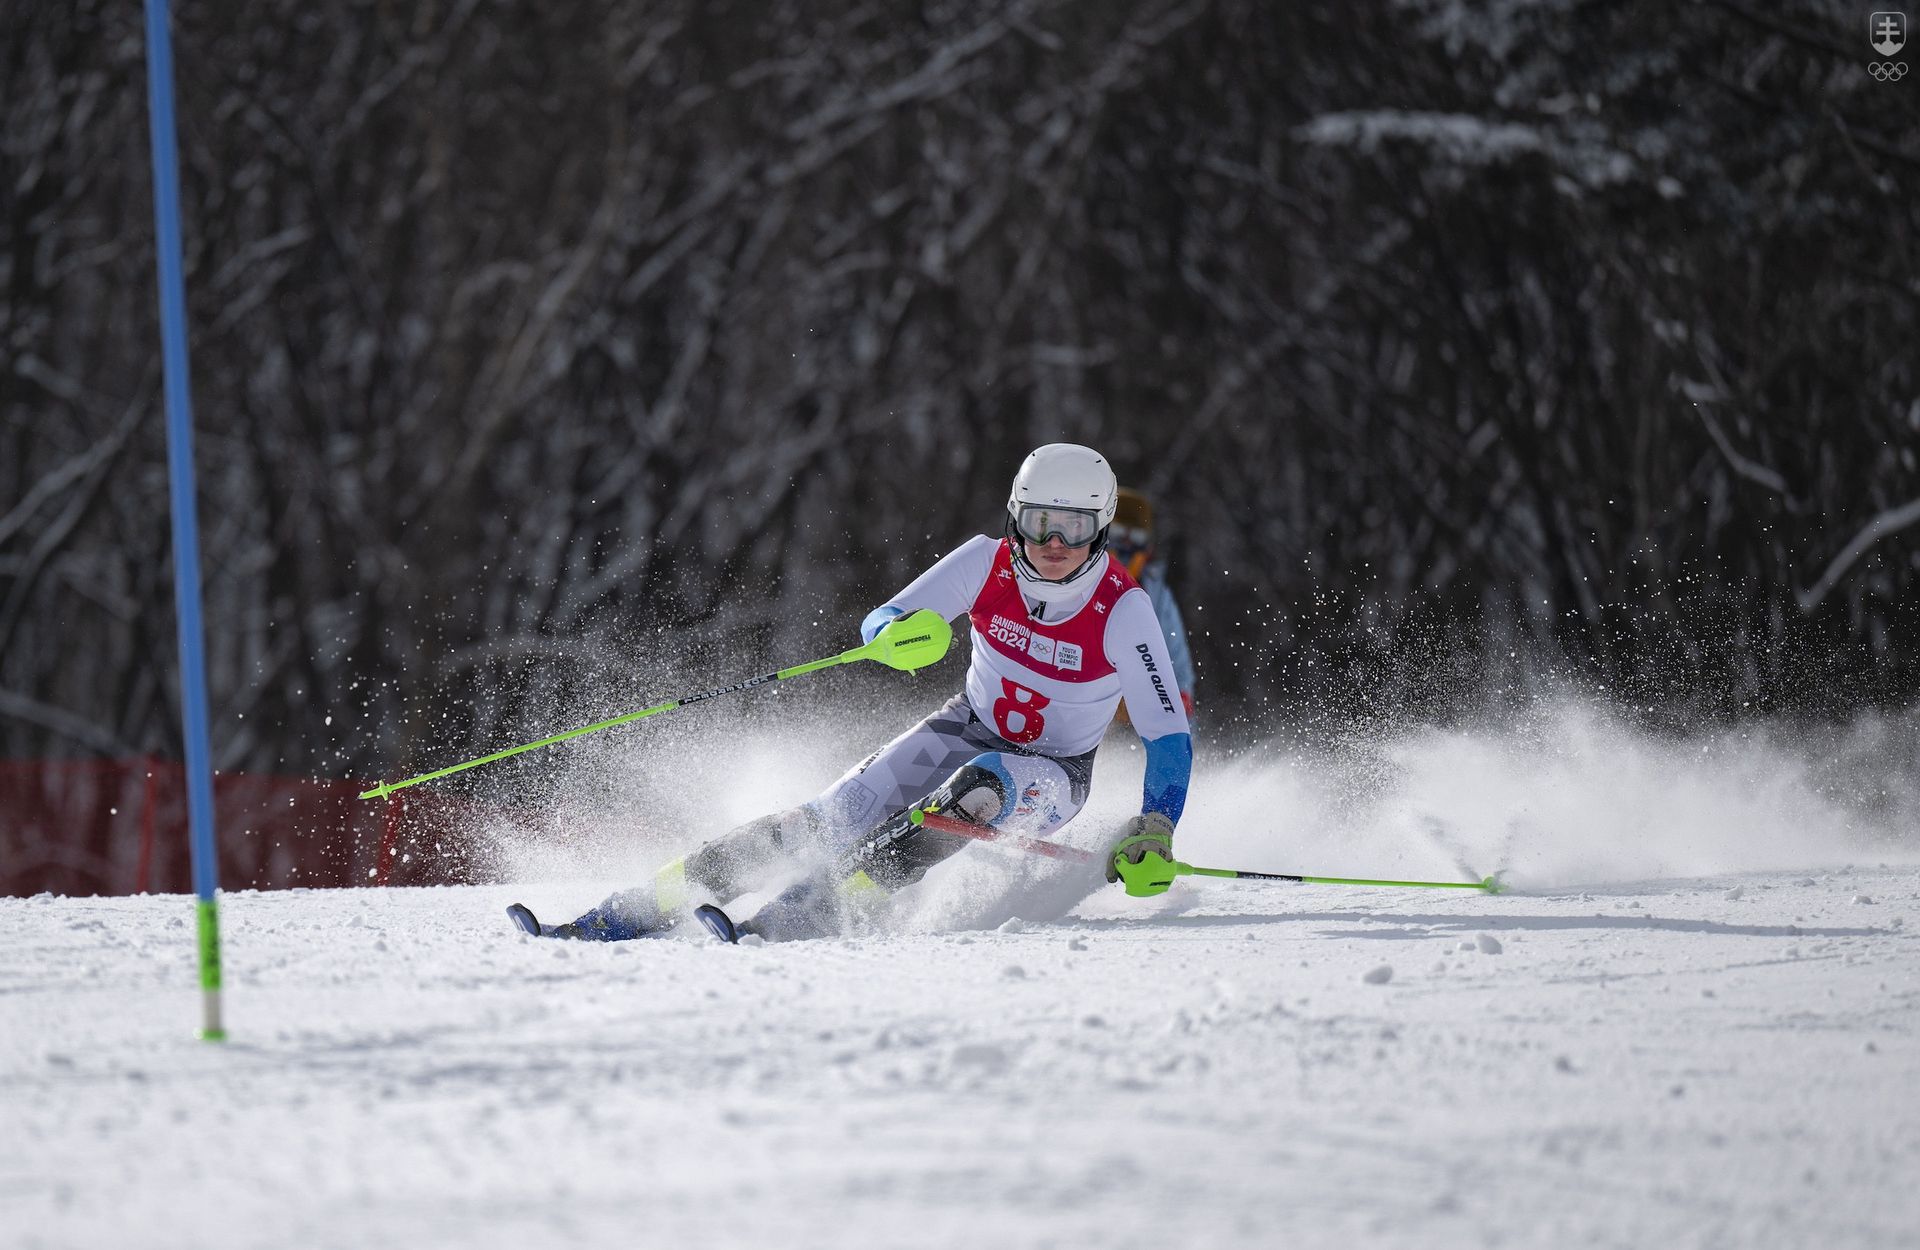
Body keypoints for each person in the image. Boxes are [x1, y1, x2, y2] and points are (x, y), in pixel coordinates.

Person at [507, 443, 1194, 943]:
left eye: (1074, 527)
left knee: (973, 794)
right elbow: (884, 616)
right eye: (1041, 520)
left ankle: (810, 910)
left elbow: (1168, 734)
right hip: (964, 725)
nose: (1053, 543)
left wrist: (1156, 826)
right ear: (1017, 515)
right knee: (831, 817)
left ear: (1100, 528)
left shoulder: (1124, 610)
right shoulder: (987, 561)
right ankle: (629, 910)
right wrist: (894, 633)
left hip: (1052, 773)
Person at [1108, 486, 1196, 718]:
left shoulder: (1157, 596)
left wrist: (1181, 703)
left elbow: (1178, 662)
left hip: (1133, 716)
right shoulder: (1077, 575)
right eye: (1118, 533)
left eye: (1135, 536)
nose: (1126, 545)